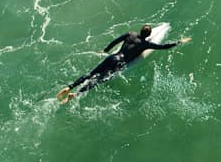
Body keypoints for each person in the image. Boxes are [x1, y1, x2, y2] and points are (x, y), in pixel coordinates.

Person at [56, 24, 191, 104]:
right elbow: (163, 46)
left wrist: (105, 50)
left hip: (112, 57)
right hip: (120, 63)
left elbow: (115, 41)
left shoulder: (130, 34)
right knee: (98, 80)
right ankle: (77, 94)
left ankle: (70, 86)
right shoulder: (146, 44)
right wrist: (179, 42)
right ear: (149, 34)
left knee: (91, 73)